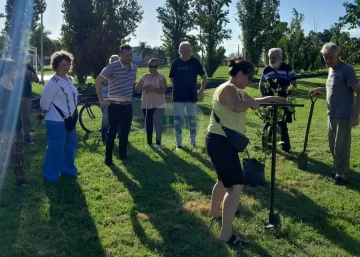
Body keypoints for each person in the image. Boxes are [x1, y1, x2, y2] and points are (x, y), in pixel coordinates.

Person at [206, 59, 286, 246]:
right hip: (221, 143)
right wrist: (251, 104)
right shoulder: (229, 89)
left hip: (218, 142)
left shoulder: (236, 90)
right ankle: (226, 235)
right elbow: (236, 106)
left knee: (223, 181)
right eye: (249, 77)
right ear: (240, 74)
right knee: (236, 186)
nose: (250, 81)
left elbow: (249, 101)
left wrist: (269, 100)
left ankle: (213, 213)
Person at [309, 42, 360, 186]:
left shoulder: (347, 70)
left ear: (339, 56)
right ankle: (338, 168)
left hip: (344, 115)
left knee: (341, 146)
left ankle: (341, 174)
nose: (327, 61)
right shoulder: (331, 69)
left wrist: (356, 114)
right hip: (331, 113)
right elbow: (333, 88)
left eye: (331, 58)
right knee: (332, 145)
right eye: (325, 57)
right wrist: (319, 89)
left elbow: (359, 92)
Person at [40, 50, 78, 183]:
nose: (67, 66)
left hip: (70, 120)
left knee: (70, 146)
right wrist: (44, 112)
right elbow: (44, 101)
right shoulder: (53, 82)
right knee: (55, 149)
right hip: (55, 120)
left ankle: (68, 170)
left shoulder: (69, 80)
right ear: (56, 65)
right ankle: (50, 175)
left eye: (68, 64)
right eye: (63, 64)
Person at [95, 44, 137, 165]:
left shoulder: (134, 68)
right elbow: (98, 81)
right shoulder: (112, 67)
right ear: (120, 55)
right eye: (126, 55)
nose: (129, 57)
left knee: (125, 132)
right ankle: (108, 158)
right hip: (115, 105)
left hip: (127, 105)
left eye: (130, 55)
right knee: (112, 132)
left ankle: (123, 155)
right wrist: (102, 100)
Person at [169, 41, 207, 150]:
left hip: (191, 96)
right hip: (178, 97)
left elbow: (204, 78)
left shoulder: (195, 62)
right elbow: (171, 79)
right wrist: (179, 87)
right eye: (183, 51)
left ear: (191, 51)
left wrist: (201, 91)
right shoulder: (175, 63)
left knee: (192, 119)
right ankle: (179, 144)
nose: (186, 53)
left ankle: (193, 142)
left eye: (188, 51)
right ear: (179, 51)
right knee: (178, 120)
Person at [259, 48, 297, 152]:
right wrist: (263, 98)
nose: (271, 59)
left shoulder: (288, 68)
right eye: (270, 57)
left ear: (281, 57)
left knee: (282, 125)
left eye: (274, 57)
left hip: (283, 102)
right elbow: (261, 84)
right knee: (267, 124)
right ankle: (266, 145)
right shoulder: (266, 69)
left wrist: (290, 98)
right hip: (269, 101)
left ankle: (285, 147)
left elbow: (293, 84)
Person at [0, 58, 27, 186]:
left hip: (16, 126)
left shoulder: (13, 85)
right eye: (14, 68)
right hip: (3, 128)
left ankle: (20, 179)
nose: (16, 71)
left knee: (18, 154)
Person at [135, 58, 166, 148]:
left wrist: (150, 88)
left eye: (154, 66)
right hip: (146, 103)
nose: (152, 68)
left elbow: (163, 90)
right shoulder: (144, 76)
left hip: (159, 104)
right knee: (148, 123)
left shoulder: (161, 77)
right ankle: (149, 143)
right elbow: (137, 88)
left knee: (157, 123)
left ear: (157, 67)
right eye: (150, 66)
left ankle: (158, 143)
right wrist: (144, 87)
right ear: (147, 66)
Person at [14, 48, 40, 145]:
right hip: (13, 96)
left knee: (26, 117)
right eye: (17, 55)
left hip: (26, 95)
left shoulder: (28, 67)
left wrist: (29, 73)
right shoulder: (11, 67)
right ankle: (15, 137)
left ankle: (27, 137)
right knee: (14, 118)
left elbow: (37, 80)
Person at [100, 54, 120, 143]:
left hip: (107, 94)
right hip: (108, 94)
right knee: (107, 117)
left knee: (109, 116)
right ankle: (105, 136)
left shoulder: (106, 69)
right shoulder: (114, 69)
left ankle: (113, 135)